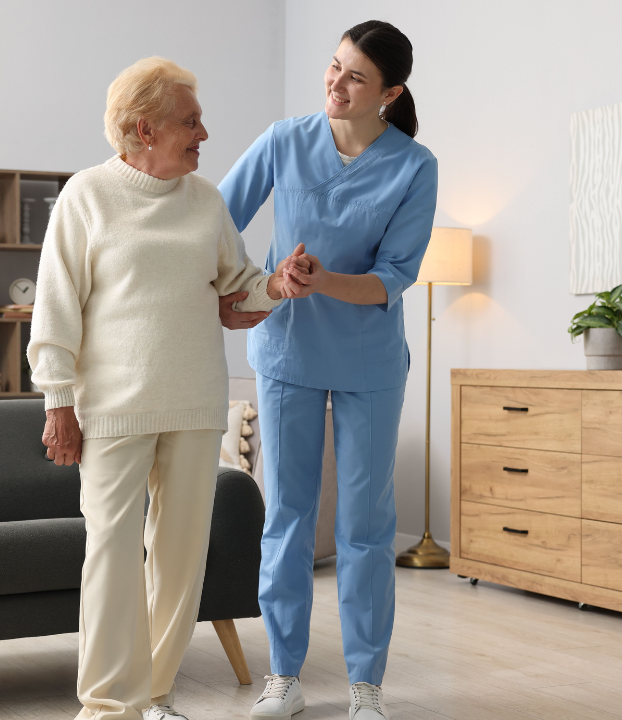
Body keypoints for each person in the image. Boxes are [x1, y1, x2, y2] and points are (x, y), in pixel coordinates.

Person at [28, 57, 308, 720]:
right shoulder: (87, 196)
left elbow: (237, 288)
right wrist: (57, 402)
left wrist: (281, 283)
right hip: (112, 409)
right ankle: (105, 708)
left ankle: (152, 698)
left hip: (192, 405)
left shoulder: (205, 201)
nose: (204, 132)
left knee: (180, 563)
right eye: (190, 121)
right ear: (142, 129)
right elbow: (55, 307)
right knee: (111, 560)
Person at [218, 21, 438, 720]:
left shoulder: (414, 165)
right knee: (285, 516)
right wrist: (264, 280)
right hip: (287, 354)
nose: (335, 86)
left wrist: (322, 280)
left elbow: (392, 277)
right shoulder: (285, 139)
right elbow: (217, 221)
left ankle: (364, 685)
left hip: (369, 361)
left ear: (390, 93)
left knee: (366, 525)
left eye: (355, 78)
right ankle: (283, 678)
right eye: (334, 67)